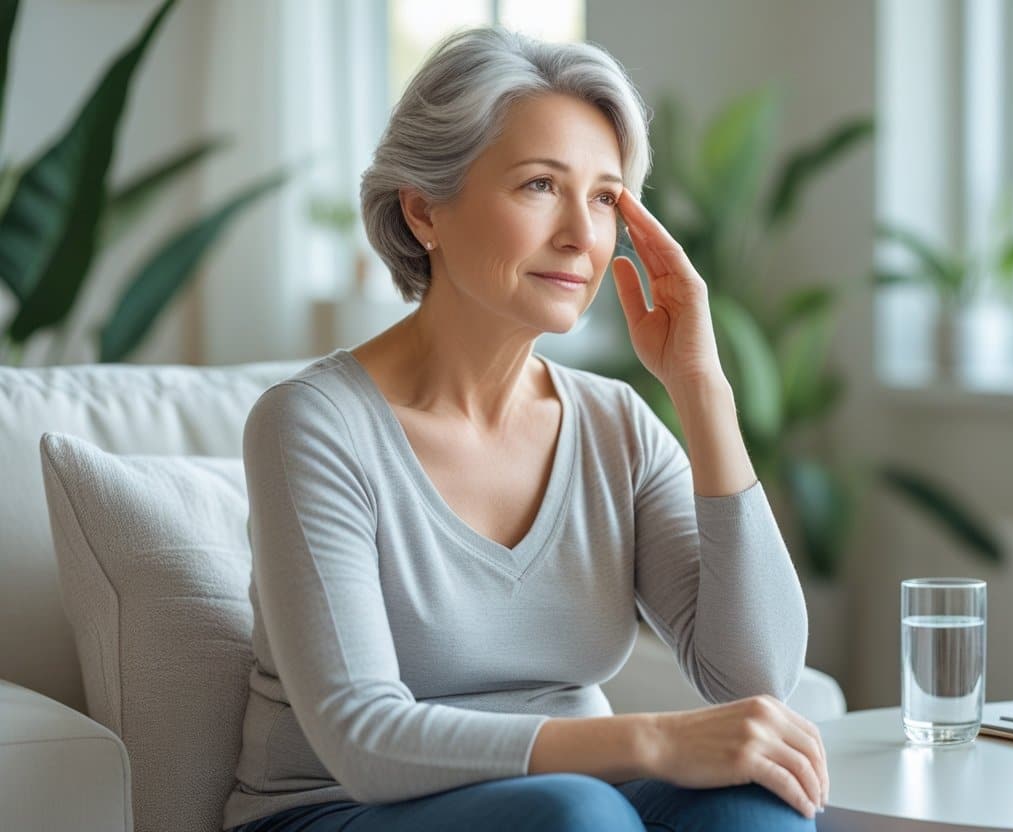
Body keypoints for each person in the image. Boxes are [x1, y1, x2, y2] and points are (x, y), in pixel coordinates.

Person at [222, 25, 828, 832]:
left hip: (575, 801)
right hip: (339, 809)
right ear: (423, 209)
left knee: (754, 806)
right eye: (541, 185)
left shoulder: (617, 426)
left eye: (606, 197)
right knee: (577, 816)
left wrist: (700, 388)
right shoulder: (313, 426)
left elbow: (752, 675)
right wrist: (648, 740)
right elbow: (363, 741)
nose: (582, 233)